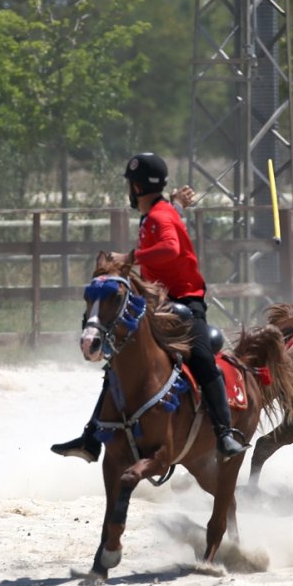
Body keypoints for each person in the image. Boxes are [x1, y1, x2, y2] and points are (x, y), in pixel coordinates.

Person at [51, 152, 246, 461]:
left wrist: (130, 258)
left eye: (130, 184)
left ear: (138, 189)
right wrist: (176, 202)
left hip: (185, 301)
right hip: (160, 303)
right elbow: (168, 220)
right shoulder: (158, 212)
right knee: (119, 360)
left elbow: (170, 247)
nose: (129, 189)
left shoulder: (158, 216)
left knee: (203, 359)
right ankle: (92, 436)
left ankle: (224, 433)